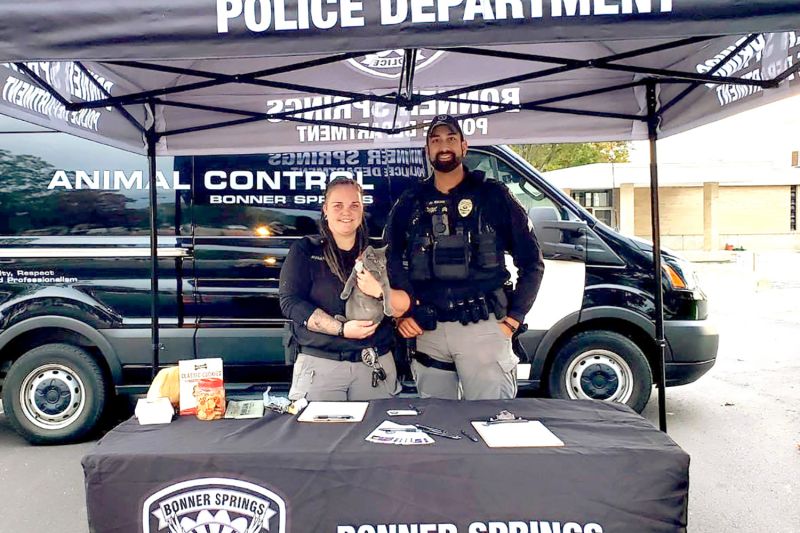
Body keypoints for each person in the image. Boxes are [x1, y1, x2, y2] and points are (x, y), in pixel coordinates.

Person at [385, 114, 545, 400]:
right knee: (435, 427)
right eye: (435, 140)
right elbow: (388, 260)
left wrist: (515, 317)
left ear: (464, 146)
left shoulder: (493, 197)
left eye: (450, 139)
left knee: (492, 423)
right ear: (427, 150)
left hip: (483, 328)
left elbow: (532, 262)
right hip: (428, 331)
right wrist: (402, 315)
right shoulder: (410, 202)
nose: (443, 146)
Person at [280, 177, 405, 401]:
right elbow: (290, 302)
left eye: (354, 205)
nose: (346, 212)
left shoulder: (379, 252)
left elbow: (405, 303)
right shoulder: (305, 250)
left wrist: (379, 291)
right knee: (318, 436)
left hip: (374, 364)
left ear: (362, 209)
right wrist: (341, 329)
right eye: (338, 205)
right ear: (325, 209)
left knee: (376, 434)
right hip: (321, 366)